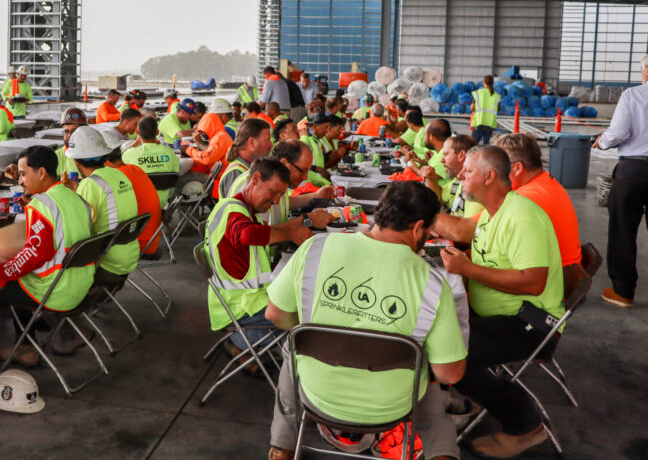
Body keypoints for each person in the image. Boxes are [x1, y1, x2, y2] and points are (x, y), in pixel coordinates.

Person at [266, 181, 467, 460]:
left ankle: (282, 446)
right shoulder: (433, 285)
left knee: (294, 346)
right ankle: (441, 455)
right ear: (419, 228)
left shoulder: (315, 249)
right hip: (392, 406)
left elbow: (275, 314)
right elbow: (451, 374)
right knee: (432, 396)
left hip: (318, 395)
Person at [433, 146, 563, 457]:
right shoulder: (492, 214)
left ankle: (526, 427)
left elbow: (534, 282)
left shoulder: (521, 216)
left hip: (530, 323)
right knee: (437, 328)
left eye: (468, 172)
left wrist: (467, 268)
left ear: (490, 177)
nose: (461, 176)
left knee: (450, 350)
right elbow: (491, 260)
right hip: (499, 314)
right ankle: (470, 391)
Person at [0, 145, 95, 384]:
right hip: (82, 285)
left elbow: (36, 252)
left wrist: (1, 275)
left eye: (23, 174)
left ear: (42, 173)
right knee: (18, 273)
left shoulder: (42, 205)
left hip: (54, 291)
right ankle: (25, 347)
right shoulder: (75, 197)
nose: (20, 181)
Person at [204, 157, 315, 356]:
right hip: (242, 308)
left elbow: (267, 231)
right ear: (255, 179)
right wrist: (291, 234)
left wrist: (300, 224)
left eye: (281, 195)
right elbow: (248, 235)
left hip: (248, 302)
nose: (275, 201)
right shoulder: (232, 211)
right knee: (311, 316)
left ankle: (244, 347)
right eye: (273, 192)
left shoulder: (247, 212)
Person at [593, 54, 648, 307]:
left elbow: (619, 131)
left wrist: (601, 142)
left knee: (623, 230)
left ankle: (623, 292)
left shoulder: (633, 95)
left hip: (634, 169)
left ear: (645, 70)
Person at [494, 133, 581, 267]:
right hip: (559, 271)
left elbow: (467, 230)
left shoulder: (526, 197)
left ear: (517, 168)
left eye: (496, 166)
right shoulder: (545, 182)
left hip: (552, 279)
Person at [67, 127, 139, 285]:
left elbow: (78, 228)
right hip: (129, 256)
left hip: (107, 262)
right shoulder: (120, 174)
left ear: (76, 160)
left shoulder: (90, 184)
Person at [104, 134, 162, 257]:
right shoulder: (135, 169)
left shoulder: (115, 178)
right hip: (151, 242)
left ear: (104, 160)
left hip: (135, 245)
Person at [122, 116, 180, 208]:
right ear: (157, 132)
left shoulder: (130, 153)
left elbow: (116, 162)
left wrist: (135, 144)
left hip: (138, 206)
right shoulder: (168, 152)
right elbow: (175, 170)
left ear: (137, 132)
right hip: (161, 205)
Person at [426, 134, 483, 219]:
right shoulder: (457, 181)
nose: (442, 160)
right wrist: (431, 179)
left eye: (446, 154)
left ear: (461, 156)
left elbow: (467, 229)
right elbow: (440, 198)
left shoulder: (476, 188)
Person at [218, 118, 273, 199]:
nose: (271, 145)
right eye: (267, 140)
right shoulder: (236, 173)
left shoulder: (246, 167)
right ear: (252, 142)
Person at [185, 99, 234, 176]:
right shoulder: (219, 134)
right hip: (220, 174)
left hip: (219, 178)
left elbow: (208, 158)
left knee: (185, 179)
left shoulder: (222, 135)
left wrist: (188, 150)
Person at [408, 119, 451, 186]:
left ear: (431, 137)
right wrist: (421, 161)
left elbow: (428, 176)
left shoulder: (444, 156)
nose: (424, 139)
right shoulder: (437, 151)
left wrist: (411, 165)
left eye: (425, 135)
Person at [54, 108, 87, 178]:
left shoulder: (94, 155)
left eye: (74, 131)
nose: (70, 135)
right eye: (66, 132)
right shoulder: (56, 157)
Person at [471, 75, 501, 145]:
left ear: (483, 82)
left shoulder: (478, 93)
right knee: (487, 146)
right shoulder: (496, 96)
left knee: (472, 145)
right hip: (490, 124)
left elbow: (472, 107)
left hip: (479, 122)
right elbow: (497, 109)